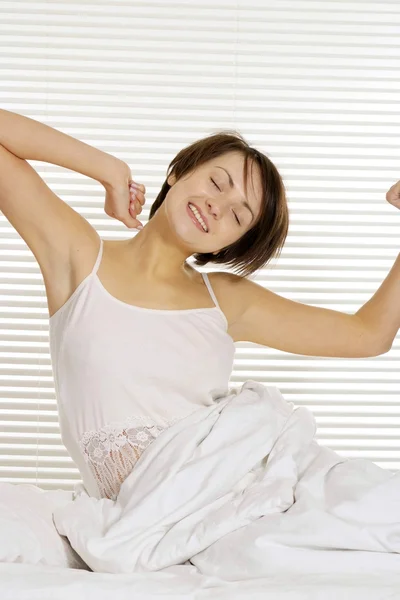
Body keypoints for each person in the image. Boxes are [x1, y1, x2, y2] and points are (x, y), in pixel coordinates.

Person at [0, 110, 288, 500]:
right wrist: (108, 169)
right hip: (139, 521)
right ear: (179, 172)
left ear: (228, 245)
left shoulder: (229, 299)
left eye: (238, 215)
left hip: (234, 495)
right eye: (217, 182)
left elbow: (367, 334)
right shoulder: (80, 257)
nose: (217, 206)